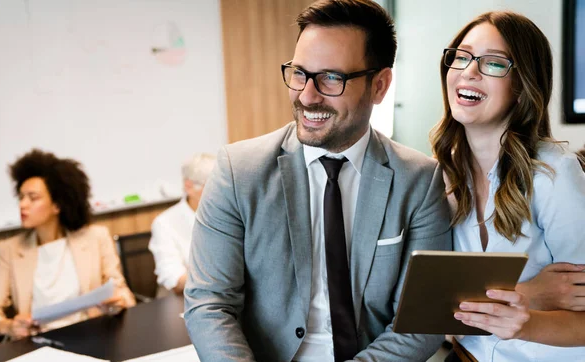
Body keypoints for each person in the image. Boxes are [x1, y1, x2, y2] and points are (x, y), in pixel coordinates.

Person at [184, 1, 452, 361]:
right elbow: (209, 303)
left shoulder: (418, 180)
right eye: (299, 73)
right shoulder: (238, 171)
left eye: (331, 78)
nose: (307, 96)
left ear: (380, 85)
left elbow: (420, 322)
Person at [430, 11, 585, 361]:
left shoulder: (554, 174)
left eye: (493, 63)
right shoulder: (440, 175)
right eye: (462, 56)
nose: (469, 71)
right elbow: (432, 308)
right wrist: (528, 293)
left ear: (522, 86)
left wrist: (525, 321)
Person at [0, 149, 136, 344]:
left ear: (57, 204)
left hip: (93, 336)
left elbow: (122, 292)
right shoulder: (10, 249)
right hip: (39, 343)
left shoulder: (95, 237)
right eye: (21, 197)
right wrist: (9, 326)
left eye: (33, 197)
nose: (23, 204)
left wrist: (117, 302)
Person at [148, 153, 216, 296]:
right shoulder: (164, 223)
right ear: (189, 187)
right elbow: (174, 279)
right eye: (212, 185)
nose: (220, 193)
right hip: (183, 299)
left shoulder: (230, 214)